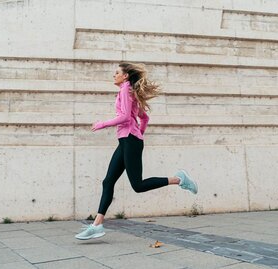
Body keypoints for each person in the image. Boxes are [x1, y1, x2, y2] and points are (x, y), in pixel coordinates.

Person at [75, 62, 198, 240]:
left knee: (137, 186)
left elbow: (124, 117)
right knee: (108, 182)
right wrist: (138, 133)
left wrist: (103, 124)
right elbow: (144, 117)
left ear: (125, 76)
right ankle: (97, 225)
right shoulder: (129, 91)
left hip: (130, 141)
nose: (113, 75)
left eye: (116, 72)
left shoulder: (125, 89)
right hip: (126, 141)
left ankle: (179, 179)